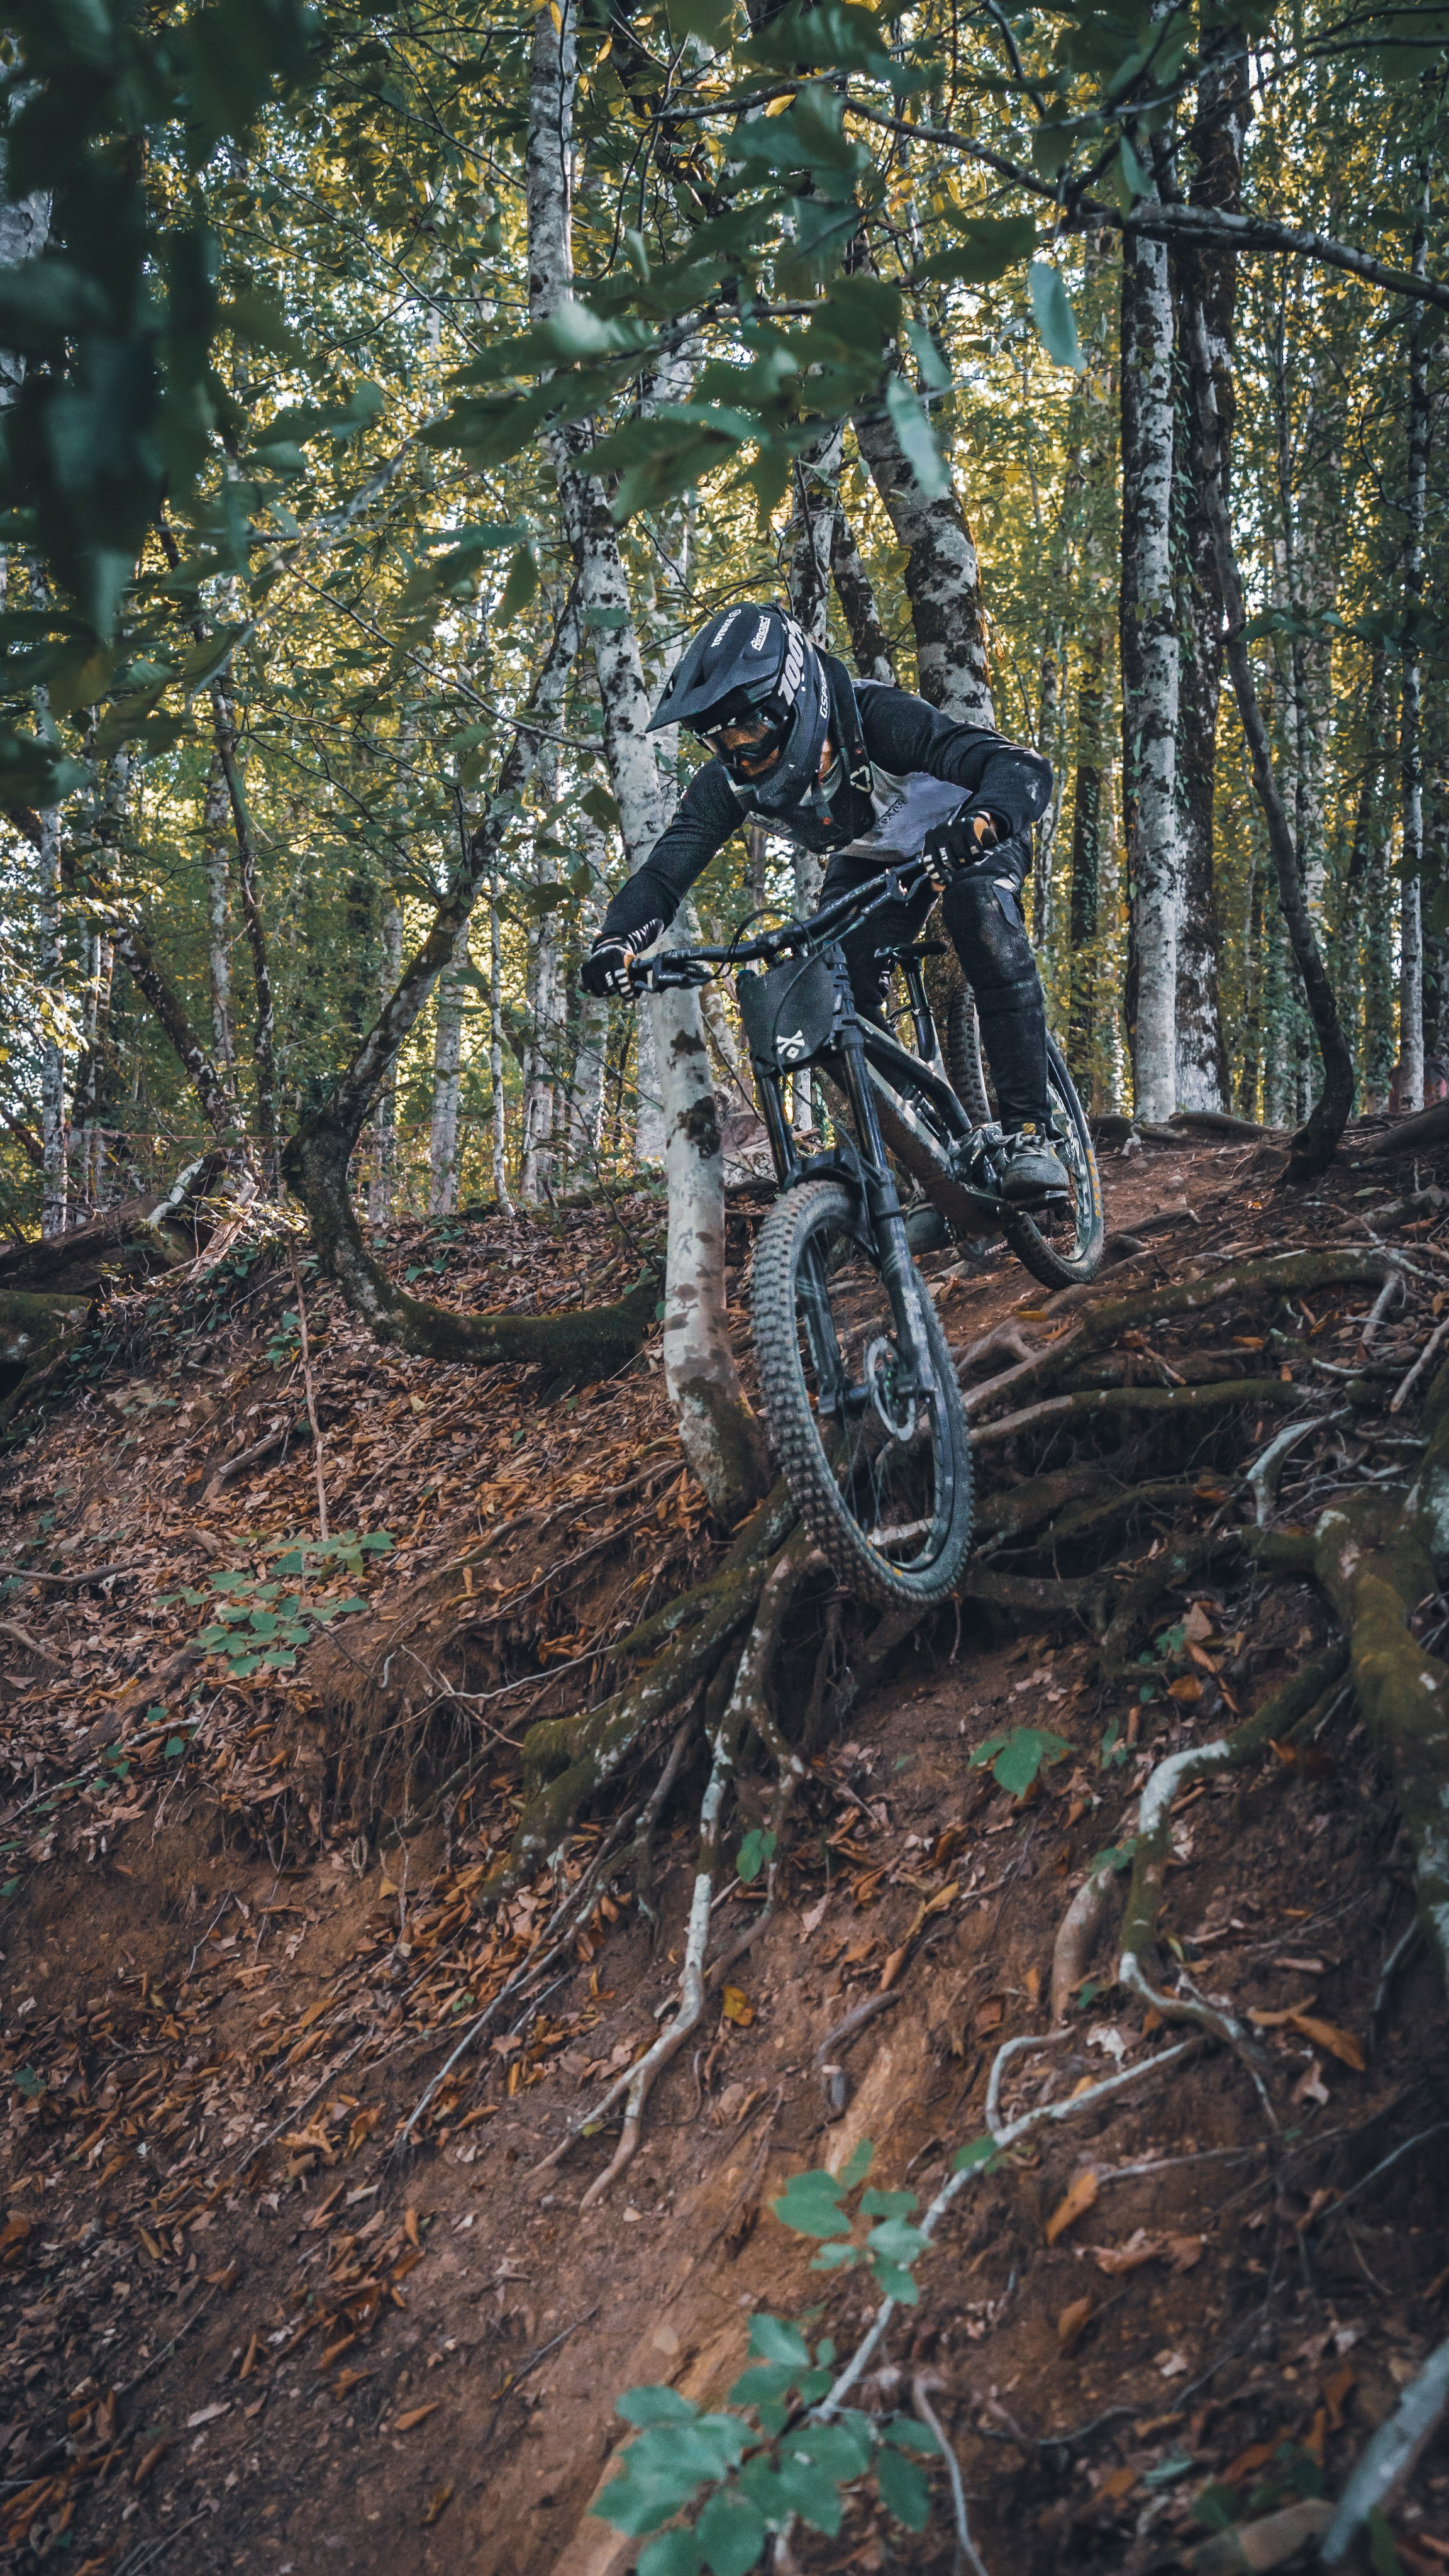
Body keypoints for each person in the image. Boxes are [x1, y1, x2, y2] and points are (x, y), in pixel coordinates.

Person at [580, 601, 1067, 1202]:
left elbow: (1018, 766)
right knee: (831, 990)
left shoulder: (878, 717)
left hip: (965, 828)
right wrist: (616, 941)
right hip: (874, 860)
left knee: (979, 914)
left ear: (793, 701)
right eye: (721, 741)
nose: (738, 755)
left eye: (749, 731)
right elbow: (665, 873)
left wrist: (984, 821)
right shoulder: (731, 783)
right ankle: (937, 1158)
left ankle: (1030, 1134)